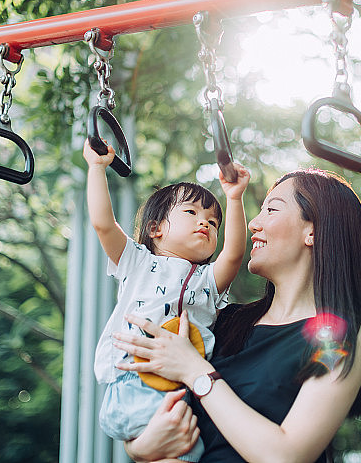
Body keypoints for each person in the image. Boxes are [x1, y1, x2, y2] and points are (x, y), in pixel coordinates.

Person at [113, 168, 361, 463]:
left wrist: (197, 372)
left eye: (272, 210)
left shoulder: (338, 339)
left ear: (313, 230)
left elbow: (287, 455)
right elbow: (147, 407)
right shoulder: (223, 321)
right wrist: (140, 447)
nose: (254, 223)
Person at [83, 140, 250, 461]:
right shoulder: (137, 260)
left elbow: (235, 253)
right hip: (132, 381)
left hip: (180, 390)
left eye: (213, 222)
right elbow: (103, 224)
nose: (205, 222)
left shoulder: (207, 280)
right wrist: (96, 168)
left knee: (185, 452)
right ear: (155, 229)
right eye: (191, 212)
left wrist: (235, 198)